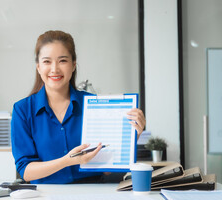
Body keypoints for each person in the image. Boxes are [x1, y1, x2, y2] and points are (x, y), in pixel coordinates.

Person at [11, 30, 146, 184]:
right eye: (47, 61)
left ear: (73, 65)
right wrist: (67, 161)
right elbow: (26, 171)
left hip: (92, 194)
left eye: (62, 61)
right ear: (38, 67)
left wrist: (132, 137)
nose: (54, 69)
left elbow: (107, 169)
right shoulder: (22, 110)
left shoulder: (94, 105)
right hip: (45, 198)